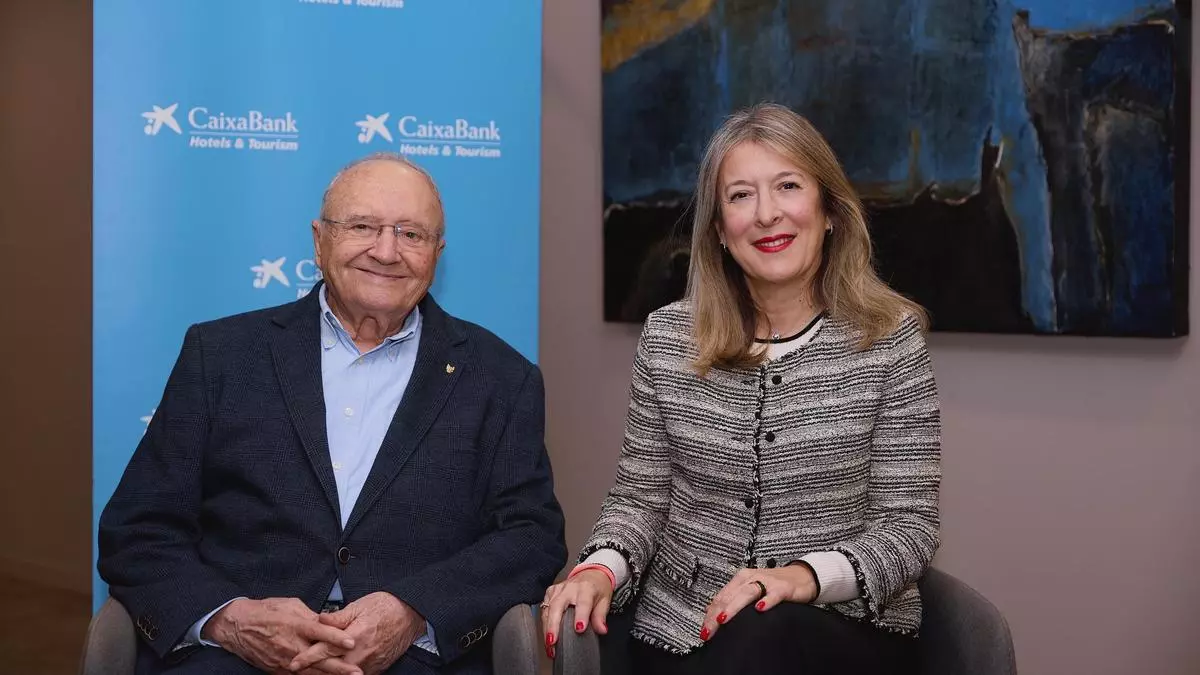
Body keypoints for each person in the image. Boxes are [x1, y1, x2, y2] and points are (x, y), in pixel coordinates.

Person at [98, 152, 566, 675]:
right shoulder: (222, 355)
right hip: (234, 654)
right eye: (362, 226)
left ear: (437, 254)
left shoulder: (502, 378)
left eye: (411, 234)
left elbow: (531, 536)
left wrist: (414, 612)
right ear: (319, 241)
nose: (386, 251)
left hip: (411, 658)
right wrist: (232, 619)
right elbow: (137, 529)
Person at [541, 103, 941, 675]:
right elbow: (640, 500)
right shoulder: (668, 338)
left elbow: (909, 527)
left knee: (766, 631)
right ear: (719, 232)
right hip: (682, 631)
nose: (767, 214)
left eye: (788, 186)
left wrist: (801, 578)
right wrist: (599, 568)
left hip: (837, 630)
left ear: (829, 210)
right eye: (740, 196)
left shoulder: (890, 340)